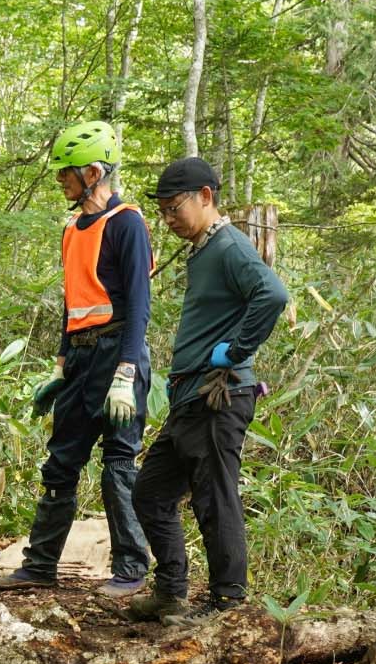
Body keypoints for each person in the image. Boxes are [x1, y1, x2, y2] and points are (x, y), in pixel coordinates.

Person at [0, 121, 156, 599]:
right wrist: (60, 366)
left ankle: (130, 570)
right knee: (61, 462)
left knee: (119, 461)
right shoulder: (72, 230)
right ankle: (39, 565)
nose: (59, 180)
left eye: (66, 172)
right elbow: (73, 301)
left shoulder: (126, 223)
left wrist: (126, 373)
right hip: (81, 357)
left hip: (118, 351)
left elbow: (140, 304)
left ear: (94, 172)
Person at [124, 158, 289, 621]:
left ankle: (227, 605)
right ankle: (171, 591)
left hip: (219, 395)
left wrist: (235, 352)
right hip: (190, 399)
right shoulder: (205, 248)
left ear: (205, 196)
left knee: (215, 497)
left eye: (174, 208)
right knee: (151, 492)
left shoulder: (230, 246)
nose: (169, 219)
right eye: (162, 211)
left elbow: (272, 295)